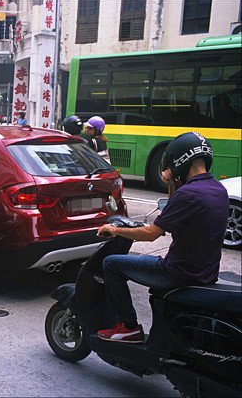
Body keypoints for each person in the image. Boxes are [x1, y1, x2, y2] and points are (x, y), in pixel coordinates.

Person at [96, 132, 228, 343]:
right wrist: (171, 186)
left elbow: (151, 234)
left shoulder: (188, 194)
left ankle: (128, 327)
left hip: (178, 272)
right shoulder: (218, 189)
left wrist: (116, 230)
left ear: (179, 161)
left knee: (111, 264)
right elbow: (175, 220)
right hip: (206, 272)